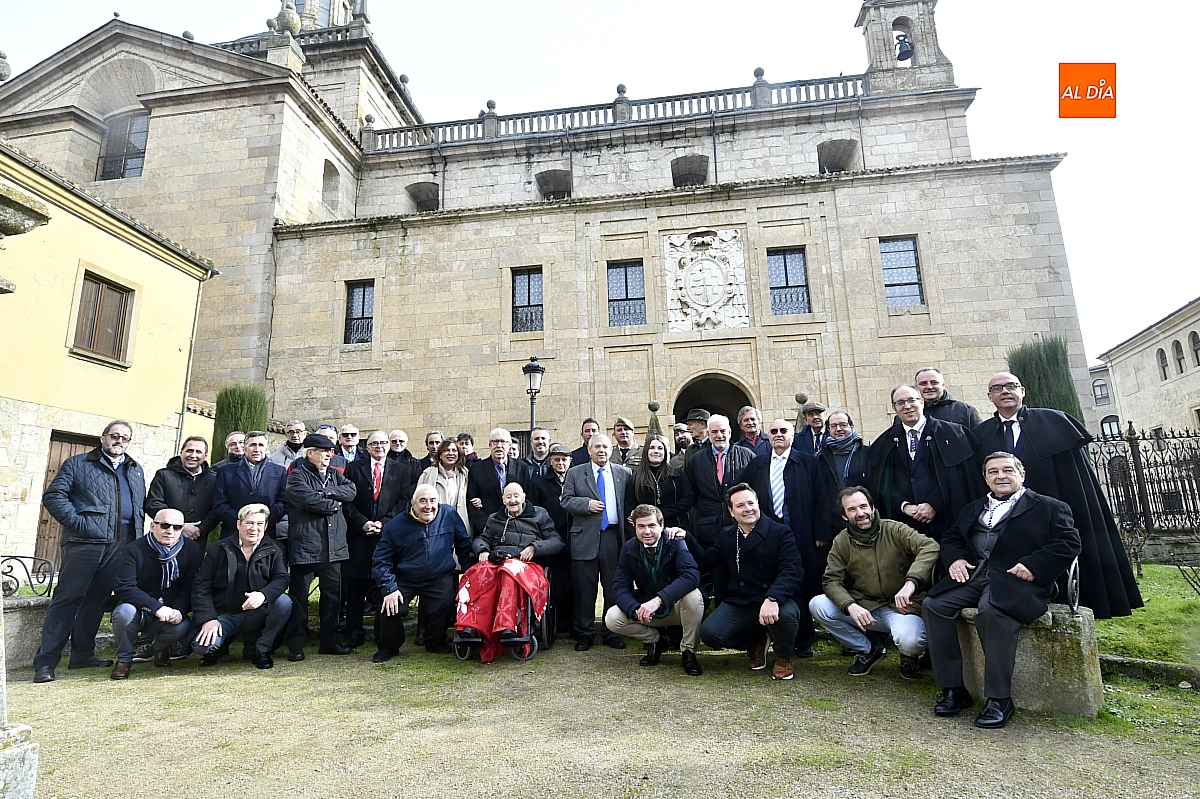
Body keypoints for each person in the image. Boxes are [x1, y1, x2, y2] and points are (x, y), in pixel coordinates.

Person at [923, 453, 1081, 728]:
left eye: (1008, 470)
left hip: (1015, 581)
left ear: (1022, 474)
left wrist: (1033, 565)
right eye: (993, 472)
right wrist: (956, 558)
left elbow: (1069, 543)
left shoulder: (1049, 507)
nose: (1000, 476)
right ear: (985, 478)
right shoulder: (974, 508)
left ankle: (999, 699)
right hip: (974, 576)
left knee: (990, 612)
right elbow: (951, 538)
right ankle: (954, 689)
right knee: (934, 605)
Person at [972, 372, 1142, 619]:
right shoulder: (980, 435)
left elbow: (1075, 480)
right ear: (990, 397)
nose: (1005, 391)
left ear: (1023, 391)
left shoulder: (1054, 422)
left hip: (1050, 515)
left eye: (1011, 386)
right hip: (1005, 522)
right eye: (998, 388)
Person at [34, 420, 145, 683]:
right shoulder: (78, 464)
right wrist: (79, 523)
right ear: (103, 438)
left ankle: (82, 655)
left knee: (96, 600)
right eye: (114, 436)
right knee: (67, 600)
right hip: (84, 543)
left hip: (122, 545)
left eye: (125, 438)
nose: (119, 441)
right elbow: (54, 496)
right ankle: (45, 662)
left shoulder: (135, 469)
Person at [810, 487, 939, 679]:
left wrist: (911, 583)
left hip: (903, 607)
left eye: (863, 506)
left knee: (910, 640)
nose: (860, 513)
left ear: (872, 506)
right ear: (844, 516)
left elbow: (930, 546)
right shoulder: (842, 541)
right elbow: (831, 580)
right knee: (818, 605)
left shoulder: (894, 529)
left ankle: (909, 656)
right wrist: (850, 605)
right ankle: (869, 650)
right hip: (866, 606)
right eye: (852, 509)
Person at [698, 484, 804, 681]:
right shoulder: (727, 536)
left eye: (750, 503)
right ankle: (755, 642)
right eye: (740, 505)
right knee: (710, 634)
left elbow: (792, 570)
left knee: (787, 616)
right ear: (731, 511)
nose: (747, 509)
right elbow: (706, 561)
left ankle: (783, 655)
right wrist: (684, 537)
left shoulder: (780, 532)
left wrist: (773, 598)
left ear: (758, 504)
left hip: (775, 598)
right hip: (743, 600)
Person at [742, 418, 827, 657]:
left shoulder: (809, 462)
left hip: (801, 533)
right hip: (767, 535)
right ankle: (768, 635)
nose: (778, 435)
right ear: (768, 436)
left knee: (803, 584)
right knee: (770, 580)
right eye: (773, 431)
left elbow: (821, 498)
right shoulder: (757, 464)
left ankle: (804, 639)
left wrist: (820, 533)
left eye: (783, 431)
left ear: (792, 435)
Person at [867, 385, 982, 541]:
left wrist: (933, 504)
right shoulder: (885, 442)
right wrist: (904, 506)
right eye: (900, 403)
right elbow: (881, 484)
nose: (907, 406)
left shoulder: (954, 434)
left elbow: (960, 477)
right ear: (894, 408)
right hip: (906, 528)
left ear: (921, 402)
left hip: (948, 523)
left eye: (911, 400)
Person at [372, 485, 473, 661]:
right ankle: (388, 646)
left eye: (433, 501)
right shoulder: (395, 526)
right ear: (413, 503)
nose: (428, 506)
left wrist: (469, 573)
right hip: (405, 578)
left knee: (445, 599)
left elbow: (464, 544)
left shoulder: (449, 515)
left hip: (439, 575)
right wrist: (389, 587)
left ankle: (435, 641)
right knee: (389, 603)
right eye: (423, 501)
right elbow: (381, 560)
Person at [190, 503, 293, 669]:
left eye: (259, 524)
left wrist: (263, 595)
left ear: (266, 526)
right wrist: (208, 618)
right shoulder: (218, 549)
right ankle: (220, 647)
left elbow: (282, 578)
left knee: (284, 602)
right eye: (249, 523)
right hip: (224, 614)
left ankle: (262, 649)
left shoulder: (276, 549)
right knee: (202, 647)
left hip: (257, 613)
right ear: (239, 524)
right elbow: (201, 585)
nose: (254, 528)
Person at [605, 504, 703, 675]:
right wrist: (636, 610)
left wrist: (658, 600)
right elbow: (620, 587)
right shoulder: (629, 548)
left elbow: (691, 576)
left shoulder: (675, 542)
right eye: (641, 526)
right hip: (647, 613)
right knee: (612, 618)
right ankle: (656, 641)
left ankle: (689, 652)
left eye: (651, 525)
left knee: (694, 596)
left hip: (677, 607)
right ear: (634, 527)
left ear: (661, 526)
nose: (647, 531)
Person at [285, 433, 357, 658]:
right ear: (310, 453)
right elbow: (308, 500)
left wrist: (326, 492)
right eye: (324, 451)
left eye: (331, 452)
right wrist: (334, 504)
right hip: (305, 546)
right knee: (299, 599)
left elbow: (351, 491)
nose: (329, 455)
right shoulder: (297, 476)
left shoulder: (335, 474)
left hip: (333, 547)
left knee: (332, 598)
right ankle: (296, 645)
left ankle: (329, 642)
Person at [109, 508, 202, 678]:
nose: (170, 531)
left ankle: (160, 649)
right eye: (165, 525)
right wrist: (157, 608)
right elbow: (125, 587)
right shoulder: (134, 550)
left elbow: (190, 585)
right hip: (139, 609)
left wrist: (179, 611)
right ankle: (124, 660)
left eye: (177, 527)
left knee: (182, 626)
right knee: (124, 613)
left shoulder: (192, 550)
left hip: (171, 608)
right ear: (152, 526)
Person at [561, 433, 632, 650]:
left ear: (611, 450)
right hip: (585, 537)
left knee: (613, 587)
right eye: (597, 447)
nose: (601, 450)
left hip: (613, 537)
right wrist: (586, 505)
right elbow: (565, 500)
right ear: (589, 449)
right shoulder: (575, 473)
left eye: (605, 447)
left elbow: (630, 501)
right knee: (585, 589)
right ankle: (585, 633)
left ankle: (611, 632)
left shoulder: (624, 473)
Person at [342, 431, 410, 648]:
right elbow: (347, 501)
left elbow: (403, 501)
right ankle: (354, 631)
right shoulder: (354, 468)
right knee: (355, 587)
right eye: (374, 443)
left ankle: (383, 631)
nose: (379, 447)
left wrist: (383, 523)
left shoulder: (401, 469)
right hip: (359, 536)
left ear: (388, 446)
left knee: (383, 583)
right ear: (367, 447)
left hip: (386, 535)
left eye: (383, 443)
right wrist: (362, 522)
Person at [685, 414, 753, 549]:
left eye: (722, 431)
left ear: (729, 432)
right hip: (709, 529)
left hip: (741, 525)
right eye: (714, 432)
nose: (719, 435)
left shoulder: (747, 456)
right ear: (708, 434)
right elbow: (692, 493)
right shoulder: (695, 460)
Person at [530, 443, 575, 635]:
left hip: (574, 538)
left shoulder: (576, 479)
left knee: (574, 583)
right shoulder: (540, 483)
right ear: (550, 461)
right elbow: (535, 511)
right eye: (557, 459)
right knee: (555, 583)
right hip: (551, 539)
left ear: (570, 461)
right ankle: (554, 623)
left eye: (564, 459)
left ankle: (571, 623)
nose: (560, 463)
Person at [212, 431, 288, 539]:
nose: (257, 449)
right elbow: (219, 503)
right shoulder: (226, 472)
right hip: (233, 532)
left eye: (260, 445)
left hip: (266, 533)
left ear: (266, 448)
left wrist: (264, 521)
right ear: (245, 448)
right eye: (252, 445)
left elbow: (283, 502)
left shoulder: (279, 471)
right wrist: (241, 522)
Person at [144, 435, 219, 542]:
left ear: (205, 456)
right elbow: (153, 504)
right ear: (181, 452)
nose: (193, 455)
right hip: (165, 536)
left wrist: (200, 529)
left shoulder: (214, 480)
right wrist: (179, 526)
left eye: (198, 452)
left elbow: (216, 510)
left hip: (196, 538)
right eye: (189, 450)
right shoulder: (164, 475)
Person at [466, 428, 533, 534]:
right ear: (490, 445)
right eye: (495, 442)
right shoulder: (477, 469)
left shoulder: (521, 467)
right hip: (488, 528)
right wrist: (484, 526)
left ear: (509, 445)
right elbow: (471, 502)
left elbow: (528, 496)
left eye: (503, 442)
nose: (499, 445)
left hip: (517, 527)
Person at [817, 411, 871, 541]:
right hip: (835, 523)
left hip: (864, 519)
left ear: (852, 426)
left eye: (843, 425)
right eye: (834, 426)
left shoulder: (867, 453)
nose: (838, 429)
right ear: (828, 430)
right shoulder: (820, 458)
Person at [625, 434, 693, 532]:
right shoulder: (635, 478)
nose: (656, 451)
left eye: (660, 448)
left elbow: (688, 499)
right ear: (646, 451)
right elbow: (629, 507)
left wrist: (660, 513)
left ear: (665, 452)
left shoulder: (677, 474)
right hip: (647, 530)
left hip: (676, 527)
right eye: (652, 448)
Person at [418, 438, 472, 533]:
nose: (450, 453)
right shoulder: (427, 474)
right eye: (446, 450)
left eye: (454, 450)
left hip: (459, 523)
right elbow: (417, 500)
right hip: (434, 524)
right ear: (440, 454)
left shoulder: (466, 474)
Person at [915, 367, 983, 429]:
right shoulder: (910, 411)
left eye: (934, 383)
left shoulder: (965, 410)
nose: (929, 387)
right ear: (916, 387)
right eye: (923, 384)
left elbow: (980, 437)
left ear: (943, 385)